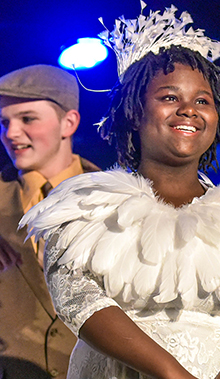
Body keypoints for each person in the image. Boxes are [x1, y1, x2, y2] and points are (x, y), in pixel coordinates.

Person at [20, 4, 220, 379]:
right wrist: (173, 375)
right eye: (170, 97)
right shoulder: (86, 209)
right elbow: (78, 299)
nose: (188, 110)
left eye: (202, 101)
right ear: (133, 111)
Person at [0, 64, 100, 378]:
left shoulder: (123, 200)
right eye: (4, 122)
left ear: (68, 122)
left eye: (27, 118)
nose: (11, 133)